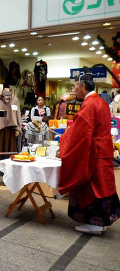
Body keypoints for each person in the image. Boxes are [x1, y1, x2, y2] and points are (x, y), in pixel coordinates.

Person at [59, 74, 120, 235]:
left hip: (93, 152)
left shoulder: (89, 104)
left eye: (75, 87)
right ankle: (103, 222)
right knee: (104, 185)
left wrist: (65, 139)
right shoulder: (101, 102)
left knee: (92, 187)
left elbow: (81, 132)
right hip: (104, 149)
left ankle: (94, 224)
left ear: (83, 86)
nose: (74, 90)